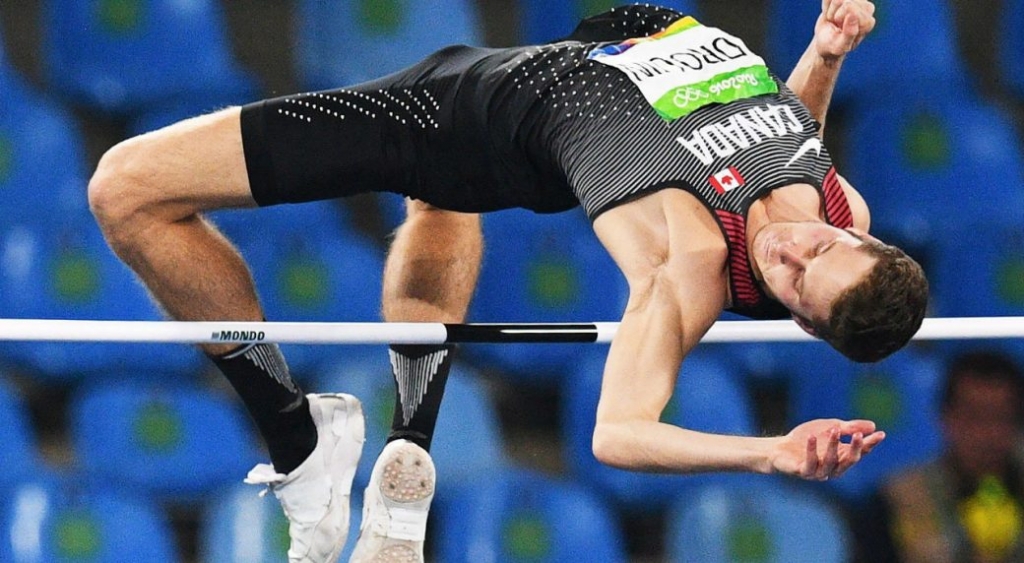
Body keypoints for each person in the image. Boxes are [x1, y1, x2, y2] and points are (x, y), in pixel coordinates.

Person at [86, 0, 926, 561]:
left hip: (460, 114)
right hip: (605, 48)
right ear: (860, 234)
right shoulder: (836, 205)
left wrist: (768, 452)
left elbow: (620, 432)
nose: (789, 249)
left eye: (794, 281)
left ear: (801, 323)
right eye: (817, 247)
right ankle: (405, 443)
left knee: (125, 189)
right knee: (438, 203)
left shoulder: (688, 265)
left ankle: (298, 440)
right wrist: (823, 55)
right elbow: (795, 138)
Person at [855, 350, 1024, 563]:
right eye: (974, 416)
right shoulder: (895, 502)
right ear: (945, 416)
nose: (987, 433)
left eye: (1000, 417)